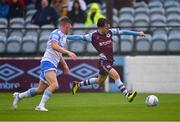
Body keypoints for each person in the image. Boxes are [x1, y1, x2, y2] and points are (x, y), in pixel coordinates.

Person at [67, 18, 145, 102]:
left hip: (110, 61)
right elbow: (78, 37)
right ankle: (128, 95)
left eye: (108, 27)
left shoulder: (110, 32)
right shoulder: (93, 36)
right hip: (103, 62)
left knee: (99, 81)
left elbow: (124, 32)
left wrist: (138, 33)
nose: (108, 28)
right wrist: (65, 37)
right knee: (116, 75)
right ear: (100, 27)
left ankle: (78, 84)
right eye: (106, 27)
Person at [12, 16, 77, 111]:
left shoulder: (63, 37)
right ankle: (40, 106)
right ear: (62, 26)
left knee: (40, 90)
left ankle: (19, 96)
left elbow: (59, 52)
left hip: (50, 63)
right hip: (48, 62)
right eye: (68, 27)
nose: (69, 29)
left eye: (69, 28)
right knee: (54, 85)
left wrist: (64, 65)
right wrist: (68, 52)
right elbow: (54, 46)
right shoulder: (56, 33)